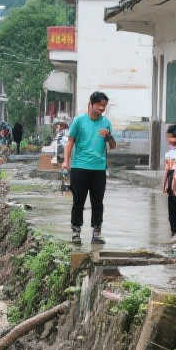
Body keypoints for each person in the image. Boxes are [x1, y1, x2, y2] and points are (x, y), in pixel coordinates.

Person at [62, 91, 114, 244]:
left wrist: (108, 136)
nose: (102, 109)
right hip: (80, 167)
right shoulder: (79, 121)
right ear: (91, 104)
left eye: (104, 106)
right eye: (99, 105)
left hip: (99, 169)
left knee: (98, 201)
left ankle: (96, 233)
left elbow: (113, 146)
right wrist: (66, 161)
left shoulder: (106, 123)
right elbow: (70, 142)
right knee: (78, 200)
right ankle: (76, 232)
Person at [161, 125, 176, 243]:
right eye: (167, 137)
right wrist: (165, 184)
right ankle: (174, 231)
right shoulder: (169, 152)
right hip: (170, 183)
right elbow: (166, 169)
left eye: (170, 137)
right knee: (171, 210)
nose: (168, 140)